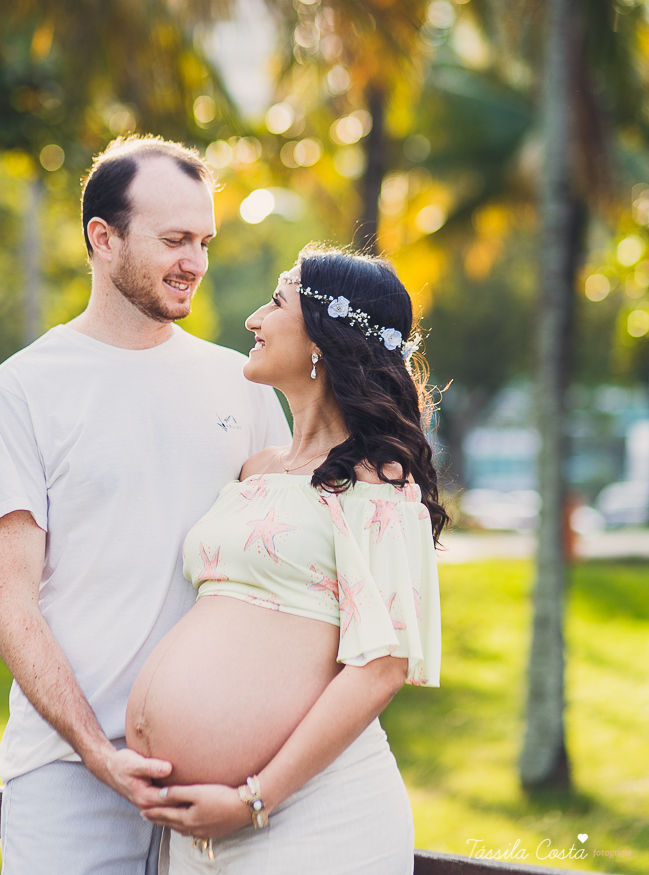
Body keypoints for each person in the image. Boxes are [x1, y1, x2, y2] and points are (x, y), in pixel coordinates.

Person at [0, 136, 290, 875]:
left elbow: (281, 563)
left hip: (216, 773)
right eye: (175, 239)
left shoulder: (239, 383)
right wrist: (96, 754)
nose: (197, 264)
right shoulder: (20, 392)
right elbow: (8, 609)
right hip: (68, 774)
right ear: (103, 239)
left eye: (205, 241)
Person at [127, 246, 446, 874]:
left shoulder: (378, 485)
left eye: (275, 303)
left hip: (309, 820)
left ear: (322, 339)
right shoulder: (256, 470)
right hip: (198, 829)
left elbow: (381, 668)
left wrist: (254, 800)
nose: (253, 318)